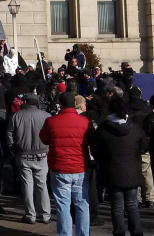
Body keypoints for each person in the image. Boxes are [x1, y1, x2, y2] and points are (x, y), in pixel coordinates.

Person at [92, 97, 147, 236]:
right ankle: (137, 231)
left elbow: (95, 150)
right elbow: (144, 147)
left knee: (117, 206)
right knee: (132, 204)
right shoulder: (135, 127)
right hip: (132, 170)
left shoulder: (103, 128)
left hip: (112, 171)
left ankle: (119, 232)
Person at [40, 92, 91, 236]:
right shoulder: (85, 122)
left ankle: (65, 234)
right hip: (80, 167)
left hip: (60, 167)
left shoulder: (51, 121)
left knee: (63, 205)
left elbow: (44, 139)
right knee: (82, 204)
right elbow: (91, 139)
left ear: (60, 104)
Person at [6, 92, 51, 224]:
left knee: (27, 185)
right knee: (42, 185)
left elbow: (9, 134)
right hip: (42, 155)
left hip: (23, 155)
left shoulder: (16, 116)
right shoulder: (46, 116)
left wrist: (13, 148)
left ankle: (30, 215)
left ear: (24, 102)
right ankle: (45, 215)